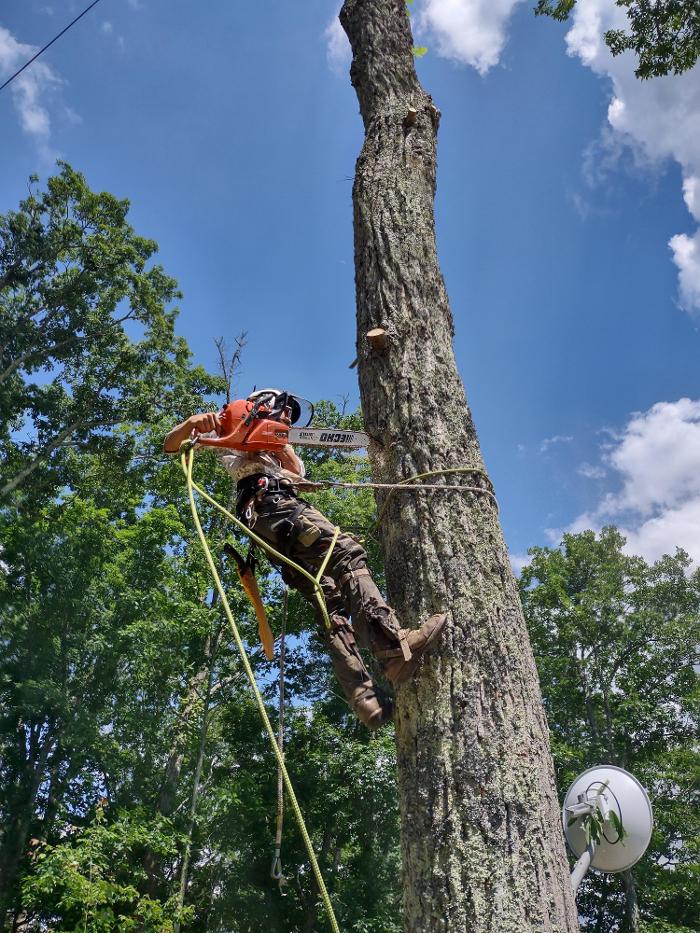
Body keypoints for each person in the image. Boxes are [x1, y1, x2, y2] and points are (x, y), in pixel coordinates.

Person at [164, 389, 446, 730]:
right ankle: (392, 648)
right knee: (345, 552)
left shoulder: (283, 445)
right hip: (271, 504)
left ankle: (364, 698)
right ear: (266, 405)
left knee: (331, 602)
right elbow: (170, 443)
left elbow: (296, 471)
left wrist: (282, 451)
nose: (287, 420)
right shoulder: (233, 423)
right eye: (285, 413)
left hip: (269, 522)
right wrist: (193, 424)